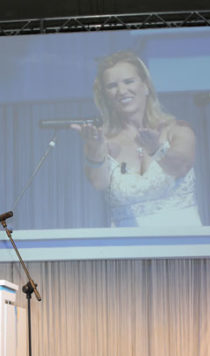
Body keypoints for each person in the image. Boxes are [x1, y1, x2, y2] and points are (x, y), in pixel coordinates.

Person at [72, 50, 201, 227]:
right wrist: (95, 150)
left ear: (146, 86)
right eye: (112, 86)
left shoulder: (177, 130)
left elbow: (180, 167)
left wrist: (156, 150)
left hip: (182, 238)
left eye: (128, 82)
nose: (121, 91)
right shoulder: (102, 140)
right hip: (127, 241)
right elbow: (99, 183)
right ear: (105, 96)